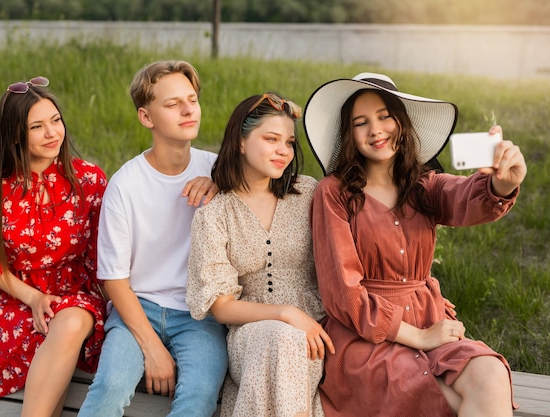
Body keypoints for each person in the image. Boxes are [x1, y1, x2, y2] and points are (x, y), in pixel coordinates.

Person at [303, 72, 526, 417]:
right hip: (367, 341)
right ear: (349, 136)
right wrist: (419, 338)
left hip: (430, 322)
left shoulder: (424, 185)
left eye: (384, 116)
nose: (375, 130)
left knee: (491, 373)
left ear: (401, 123)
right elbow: (344, 296)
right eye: (361, 123)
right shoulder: (333, 194)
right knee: (445, 401)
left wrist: (500, 184)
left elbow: (465, 196)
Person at [0, 76, 108, 417]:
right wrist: (32, 298)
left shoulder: (89, 179)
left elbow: (102, 253)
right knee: (41, 339)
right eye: (37, 126)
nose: (52, 133)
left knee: (70, 324)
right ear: (16, 134)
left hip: (75, 293)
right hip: (16, 296)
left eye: (56, 121)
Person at [77, 60, 228, 417]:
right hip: (136, 308)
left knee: (200, 394)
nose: (188, 109)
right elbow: (114, 279)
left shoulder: (218, 169)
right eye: (173, 103)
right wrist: (152, 348)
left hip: (198, 314)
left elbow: (267, 184)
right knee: (110, 386)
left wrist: (222, 182)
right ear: (147, 117)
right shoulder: (125, 185)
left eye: (192, 99)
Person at [186, 93, 334, 417]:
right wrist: (286, 314)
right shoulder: (215, 214)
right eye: (271, 139)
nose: (284, 150)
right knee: (283, 338)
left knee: (291, 343)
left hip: (314, 331)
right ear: (240, 142)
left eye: (289, 142)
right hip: (250, 335)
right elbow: (222, 308)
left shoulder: (307, 193)